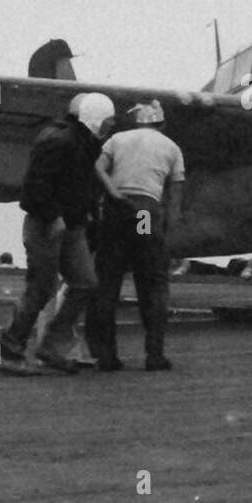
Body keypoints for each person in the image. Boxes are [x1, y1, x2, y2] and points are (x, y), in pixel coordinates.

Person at [0, 93, 119, 376]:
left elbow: (83, 186)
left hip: (72, 226)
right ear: (95, 118)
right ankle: (9, 350)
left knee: (86, 283)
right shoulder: (58, 140)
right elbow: (33, 190)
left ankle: (50, 345)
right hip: (46, 225)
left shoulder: (86, 144)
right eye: (108, 122)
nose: (110, 128)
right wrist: (53, 217)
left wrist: (89, 217)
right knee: (40, 289)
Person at [87, 100, 185, 372]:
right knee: (152, 284)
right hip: (145, 212)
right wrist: (165, 235)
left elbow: (96, 167)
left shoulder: (118, 139)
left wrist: (113, 192)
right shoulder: (172, 147)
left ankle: (106, 356)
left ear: (137, 121)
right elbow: (175, 200)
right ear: (161, 123)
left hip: (117, 210)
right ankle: (154, 355)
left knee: (107, 282)